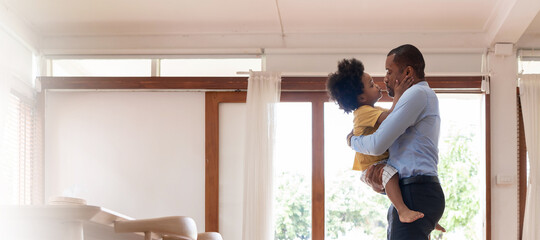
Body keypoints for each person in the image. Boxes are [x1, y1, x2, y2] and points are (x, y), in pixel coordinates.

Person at [349, 44, 445, 240]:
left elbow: (377, 144)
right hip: (415, 192)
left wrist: (353, 141)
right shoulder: (416, 96)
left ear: (408, 71)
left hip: (416, 191)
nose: (385, 78)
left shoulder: (416, 94)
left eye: (389, 71)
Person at [326, 58, 424, 223]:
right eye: (371, 84)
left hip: (384, 161)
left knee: (407, 178)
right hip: (372, 168)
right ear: (362, 98)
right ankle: (402, 210)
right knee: (389, 173)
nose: (378, 85)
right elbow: (394, 118)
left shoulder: (370, 110)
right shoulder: (364, 112)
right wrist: (399, 94)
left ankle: (422, 214)